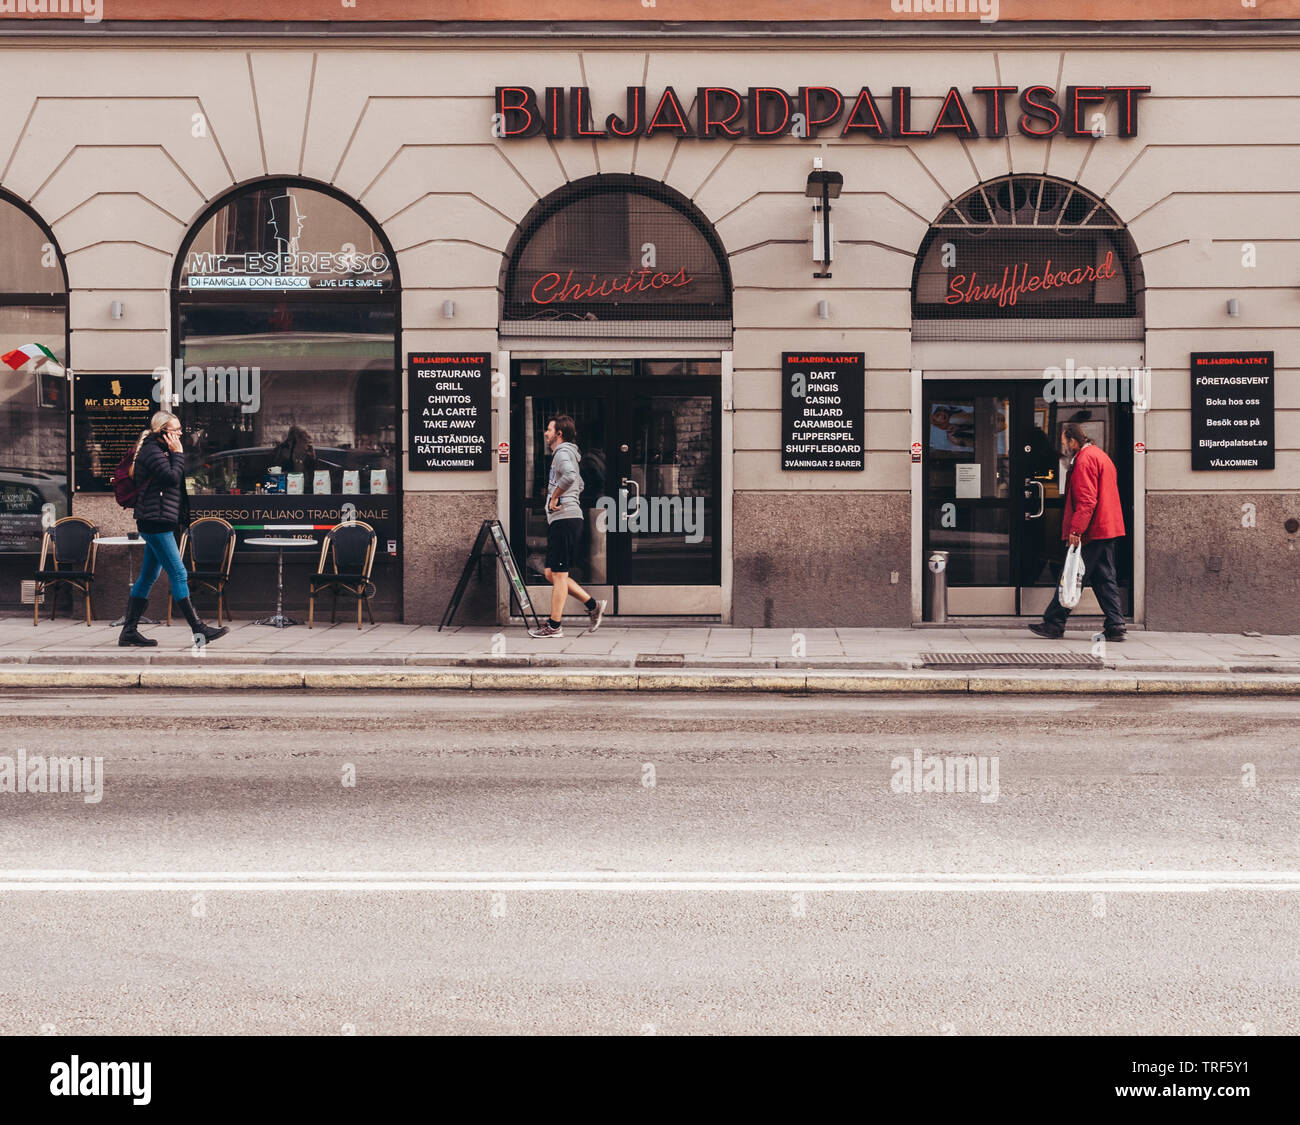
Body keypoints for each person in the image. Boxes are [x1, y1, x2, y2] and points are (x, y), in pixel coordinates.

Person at [118, 411, 229, 647]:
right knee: (179, 573)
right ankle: (199, 630)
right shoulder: (153, 451)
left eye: (180, 429)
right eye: (175, 430)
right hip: (155, 523)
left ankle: (128, 631)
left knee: (148, 576)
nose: (180, 433)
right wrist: (178, 454)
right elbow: (171, 477)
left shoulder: (158, 450)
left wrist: (175, 453)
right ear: (162, 432)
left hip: (157, 521)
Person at [1029, 422, 1127, 641]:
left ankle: (1054, 622)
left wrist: (1076, 530)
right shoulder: (1100, 456)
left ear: (1073, 441)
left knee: (1072, 574)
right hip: (1106, 526)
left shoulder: (1084, 460)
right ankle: (1116, 624)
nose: (1065, 447)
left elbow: (1086, 500)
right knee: (1104, 578)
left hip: (1092, 529)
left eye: (1065, 443)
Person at [530, 414, 605, 638]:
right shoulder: (569, 453)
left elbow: (571, 477)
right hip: (565, 519)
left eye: (549, 429)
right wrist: (567, 497)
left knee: (559, 574)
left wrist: (555, 498)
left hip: (564, 519)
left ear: (559, 434)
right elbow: (579, 483)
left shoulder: (562, 453)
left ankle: (554, 626)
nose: (545, 433)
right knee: (550, 572)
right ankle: (593, 606)